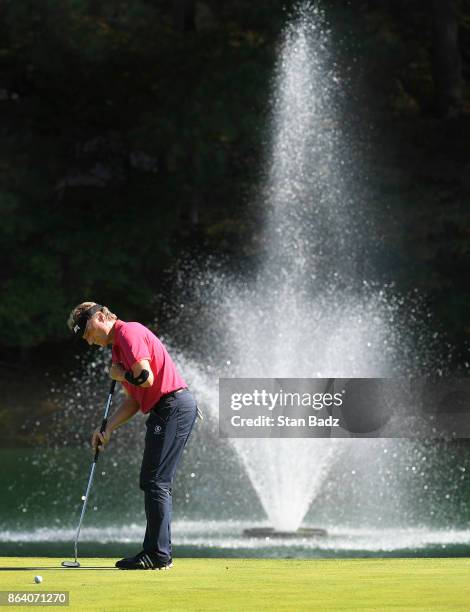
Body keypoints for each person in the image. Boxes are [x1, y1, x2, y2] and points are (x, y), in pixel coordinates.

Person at [67, 301, 199, 570]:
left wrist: (122, 373)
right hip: (165, 409)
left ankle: (158, 555)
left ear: (102, 317)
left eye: (89, 332)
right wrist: (106, 428)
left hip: (173, 406)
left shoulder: (129, 333)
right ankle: (156, 552)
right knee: (152, 481)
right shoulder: (117, 349)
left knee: (155, 482)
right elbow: (134, 401)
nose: (90, 341)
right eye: (85, 338)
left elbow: (146, 378)